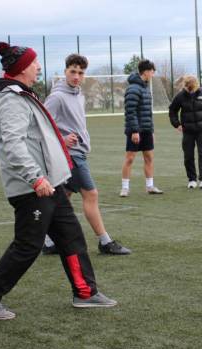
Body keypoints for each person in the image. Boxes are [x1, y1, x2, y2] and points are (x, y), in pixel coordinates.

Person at [0, 41, 117, 320]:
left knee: (71, 236)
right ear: (21, 68)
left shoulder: (24, 95)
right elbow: (14, 146)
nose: (39, 67)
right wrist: (36, 179)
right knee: (27, 246)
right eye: (34, 62)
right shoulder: (12, 100)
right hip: (33, 188)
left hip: (51, 184)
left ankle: (85, 292)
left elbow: (35, 138)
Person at [42, 54, 131, 256]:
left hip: (79, 152)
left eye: (80, 73)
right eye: (72, 71)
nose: (76, 76)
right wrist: (62, 140)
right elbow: (42, 126)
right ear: (64, 71)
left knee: (62, 197)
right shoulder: (56, 97)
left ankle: (47, 241)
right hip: (71, 155)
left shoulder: (79, 95)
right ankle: (105, 241)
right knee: (91, 194)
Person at [120, 59, 163, 197]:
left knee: (149, 157)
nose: (153, 74)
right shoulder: (133, 88)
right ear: (145, 72)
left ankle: (150, 187)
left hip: (146, 130)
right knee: (130, 158)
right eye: (152, 71)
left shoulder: (145, 88)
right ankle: (125, 188)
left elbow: (147, 112)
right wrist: (134, 131)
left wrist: (151, 130)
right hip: (135, 131)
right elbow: (130, 111)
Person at [169, 75, 202, 189]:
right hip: (188, 131)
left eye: (193, 88)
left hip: (201, 130)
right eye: (189, 88)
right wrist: (176, 124)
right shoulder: (180, 96)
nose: (191, 90)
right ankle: (192, 179)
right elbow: (172, 111)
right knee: (188, 156)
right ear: (185, 86)